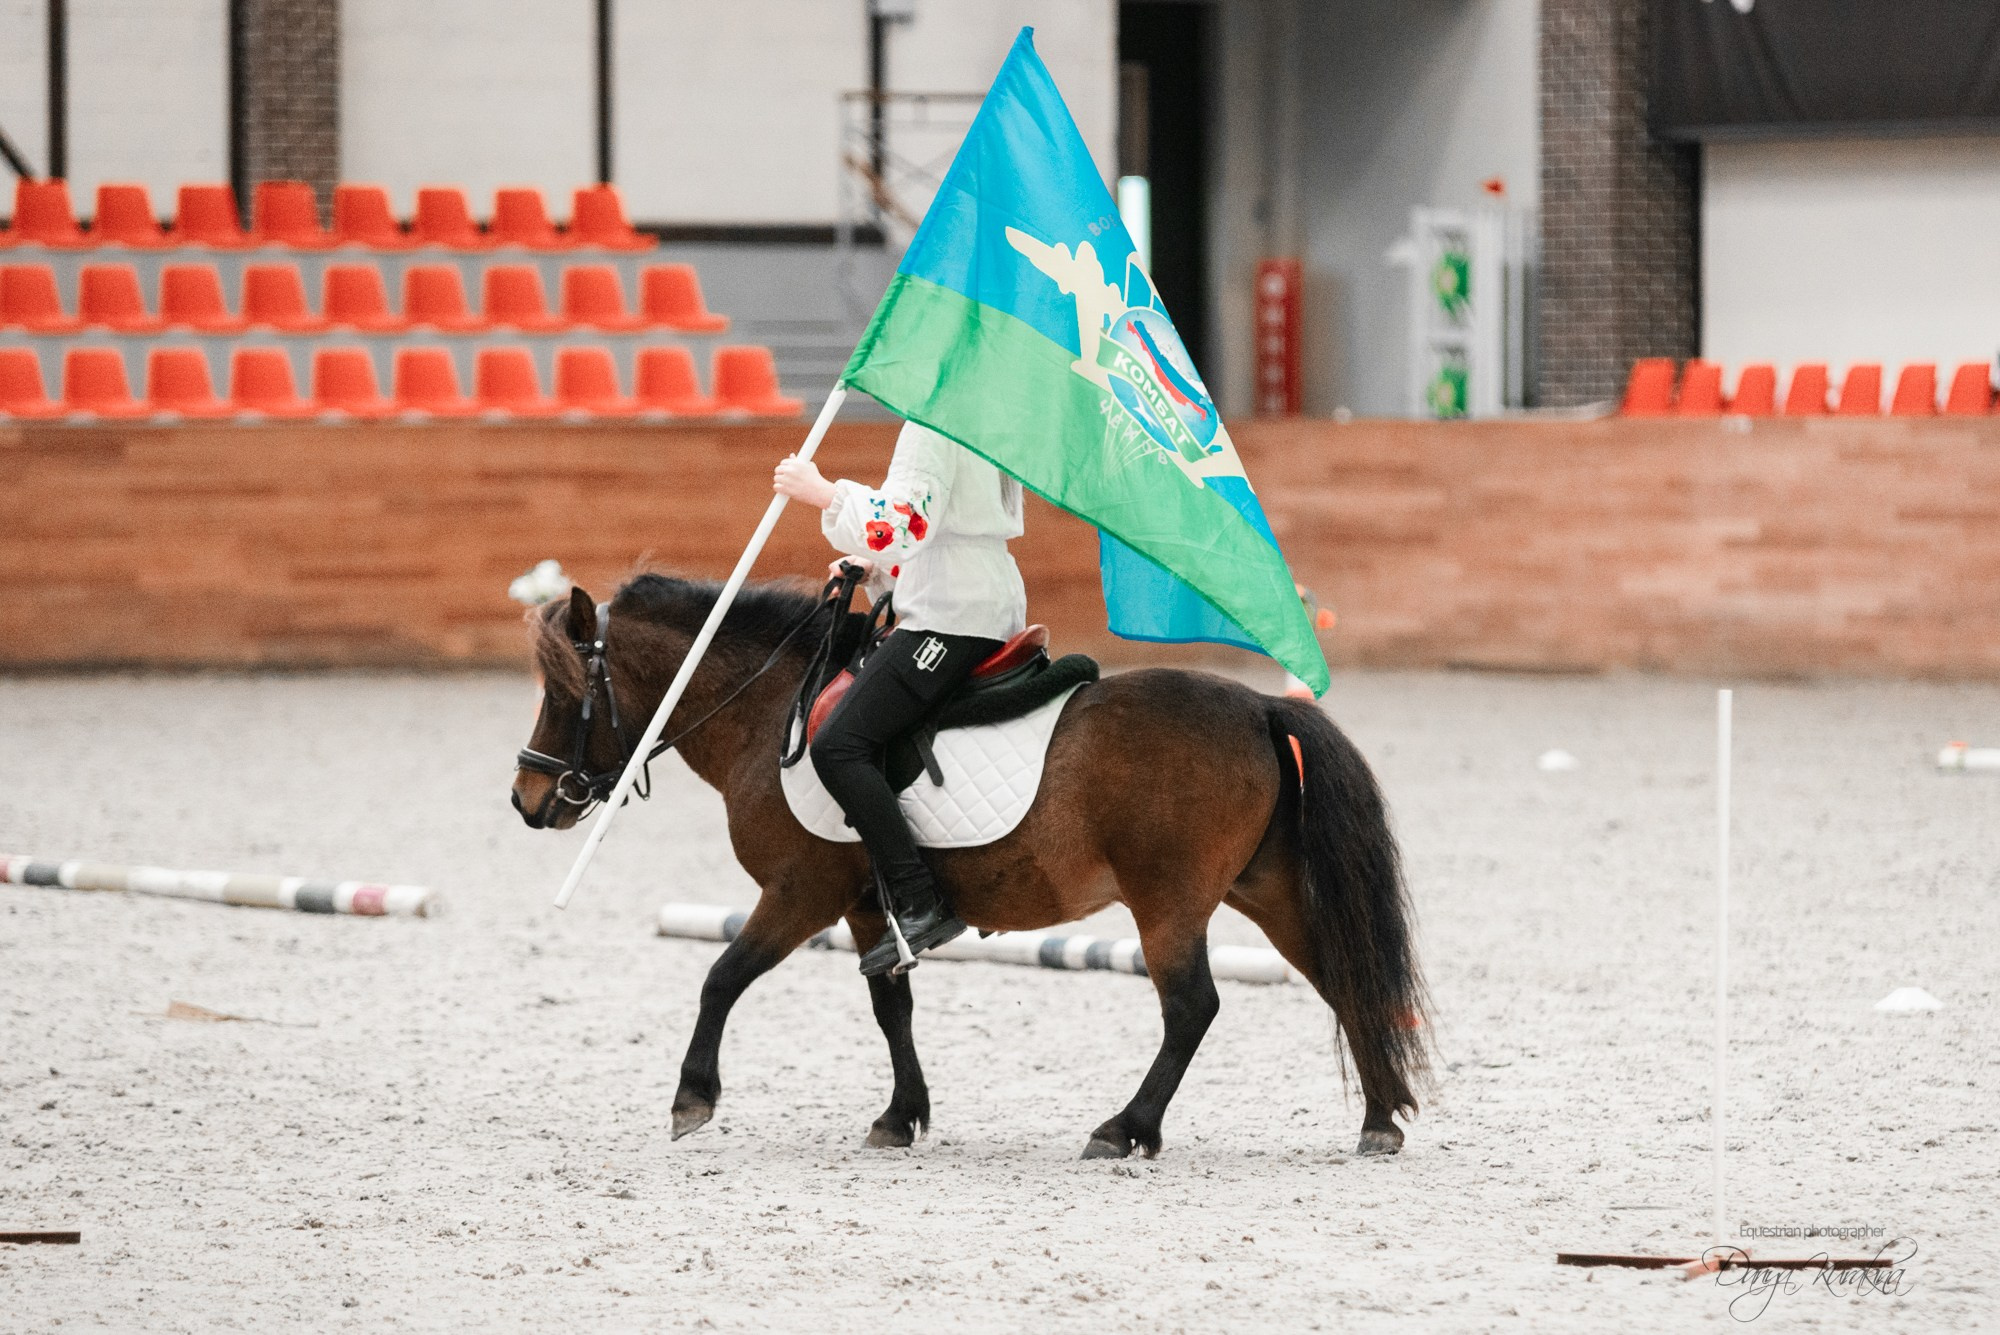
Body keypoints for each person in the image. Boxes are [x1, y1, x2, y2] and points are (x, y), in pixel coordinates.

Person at [773, 420, 1026, 975]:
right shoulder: (982, 414)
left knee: (839, 743)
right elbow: (936, 533)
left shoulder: (932, 423)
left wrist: (824, 492)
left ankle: (919, 901)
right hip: (977, 591)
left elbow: (905, 527)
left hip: (952, 611)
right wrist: (877, 568)